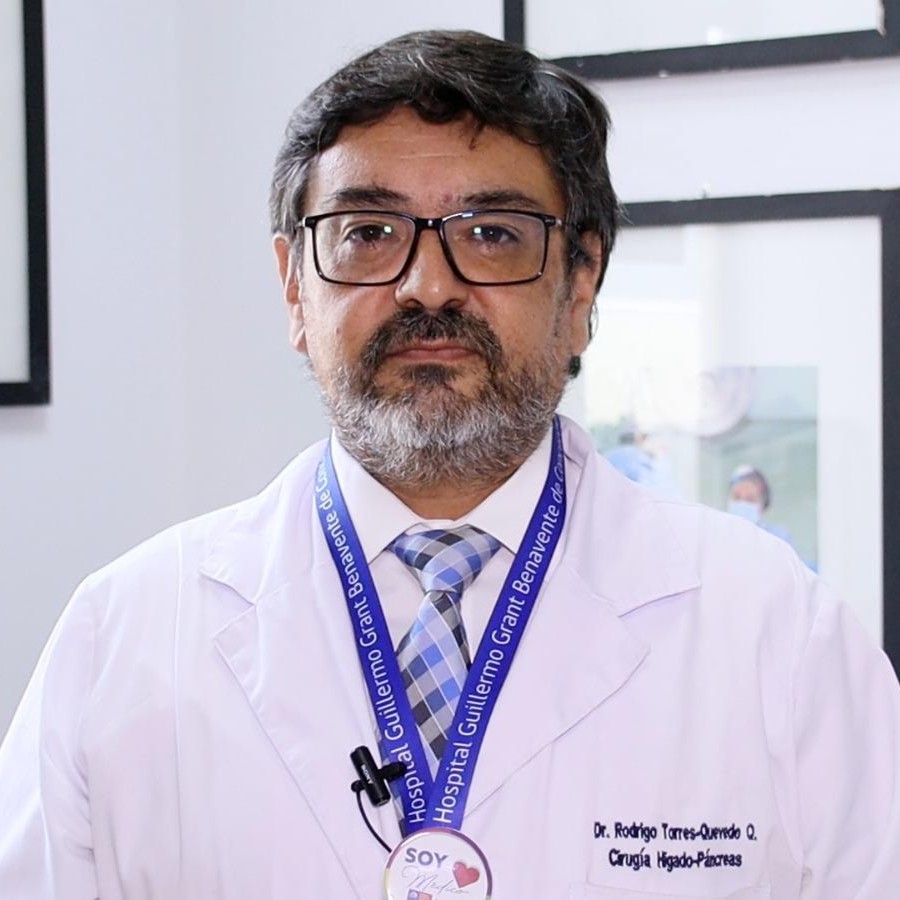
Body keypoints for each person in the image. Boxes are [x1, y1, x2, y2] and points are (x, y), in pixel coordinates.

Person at [1, 30, 898, 900]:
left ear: (581, 285)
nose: (427, 286)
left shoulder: (778, 635)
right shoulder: (121, 640)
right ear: (294, 288)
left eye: (493, 233)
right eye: (367, 231)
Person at [727, 463, 795, 547]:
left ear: (763, 506)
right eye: (737, 497)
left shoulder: (779, 538)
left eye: (750, 499)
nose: (742, 503)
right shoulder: (720, 536)